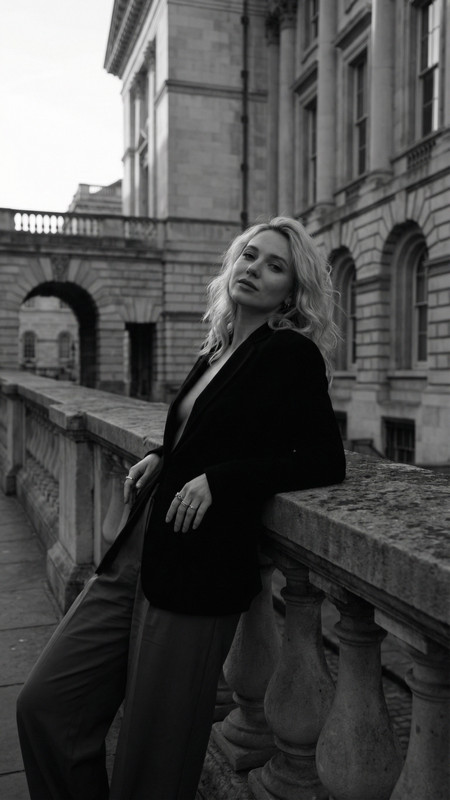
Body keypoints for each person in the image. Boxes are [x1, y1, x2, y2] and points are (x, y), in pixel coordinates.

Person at [16, 217, 345, 800]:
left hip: (197, 571)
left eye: (275, 266)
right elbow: (216, 428)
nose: (254, 269)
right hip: (136, 554)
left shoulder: (290, 353)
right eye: (249, 255)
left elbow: (323, 459)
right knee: (45, 705)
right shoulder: (217, 347)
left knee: (152, 762)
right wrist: (165, 454)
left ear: (291, 293)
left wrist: (223, 480)